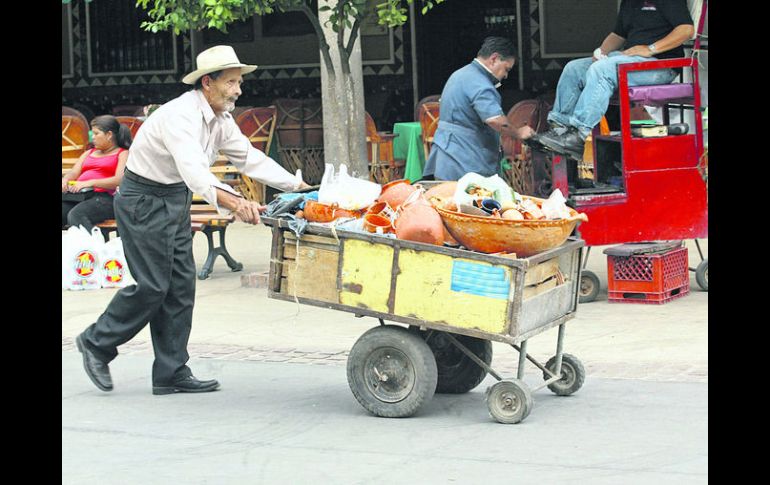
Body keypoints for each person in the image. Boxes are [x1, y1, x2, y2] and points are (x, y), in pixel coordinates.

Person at [75, 45, 311, 395]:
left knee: (181, 286)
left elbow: (250, 159)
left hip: (173, 199)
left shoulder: (221, 121)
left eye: (238, 83)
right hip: (143, 200)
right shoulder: (179, 117)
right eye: (230, 82)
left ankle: (170, 372)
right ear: (207, 83)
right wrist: (234, 202)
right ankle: (96, 342)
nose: (237, 90)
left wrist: (298, 186)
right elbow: (196, 173)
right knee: (154, 284)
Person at [534, 0, 694, 159]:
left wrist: (650, 49)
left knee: (602, 70)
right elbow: (619, 34)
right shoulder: (629, 3)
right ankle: (559, 129)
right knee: (574, 69)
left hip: (660, 65)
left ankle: (577, 135)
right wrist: (600, 53)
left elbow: (686, 30)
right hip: (629, 60)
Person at [421, 36, 535, 182]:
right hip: (466, 159)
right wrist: (518, 132)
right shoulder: (480, 83)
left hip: (448, 155)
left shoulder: (460, 74)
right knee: (473, 202)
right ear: (494, 59)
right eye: (506, 69)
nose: (505, 75)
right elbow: (495, 120)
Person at [61, 115, 131, 230]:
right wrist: (65, 179)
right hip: (80, 196)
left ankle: (94, 247)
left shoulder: (122, 153)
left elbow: (119, 180)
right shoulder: (89, 153)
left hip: (105, 198)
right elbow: (73, 172)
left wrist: (90, 183)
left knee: (76, 215)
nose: (92, 138)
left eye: (96, 133)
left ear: (109, 135)